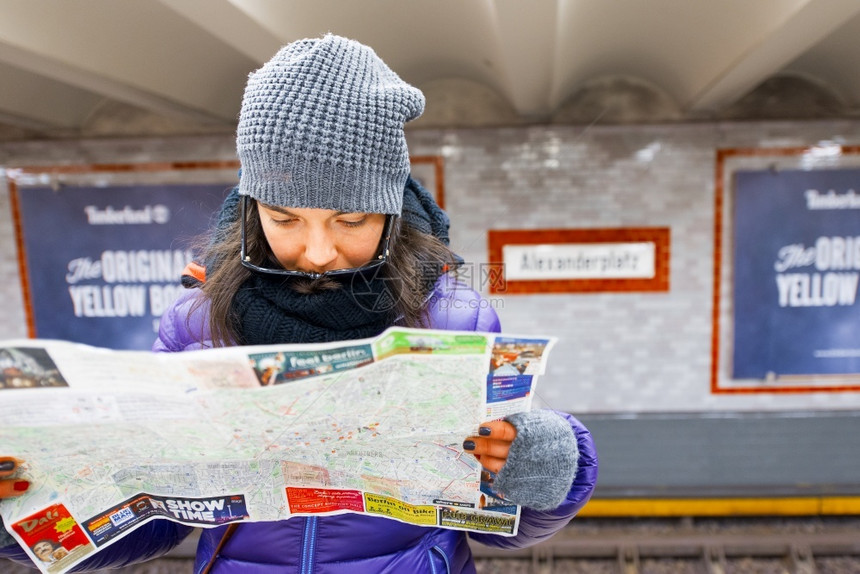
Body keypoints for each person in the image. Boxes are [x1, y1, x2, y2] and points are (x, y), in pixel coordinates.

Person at [1, 34, 597, 572]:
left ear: (390, 212)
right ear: (252, 208)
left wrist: (541, 468)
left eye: (351, 219)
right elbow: (152, 514)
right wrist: (25, 513)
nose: (316, 252)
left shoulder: (452, 320)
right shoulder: (197, 325)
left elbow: (504, 526)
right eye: (285, 219)